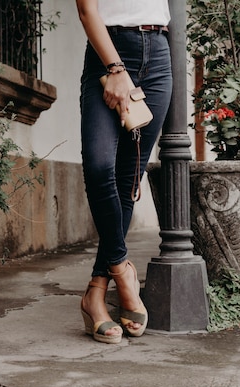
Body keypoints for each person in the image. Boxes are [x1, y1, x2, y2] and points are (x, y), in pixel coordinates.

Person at [76, 0, 173, 343]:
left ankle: (95, 294)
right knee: (99, 166)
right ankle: (122, 272)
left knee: (128, 177)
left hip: (158, 55)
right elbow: (87, 10)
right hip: (109, 54)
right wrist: (116, 68)